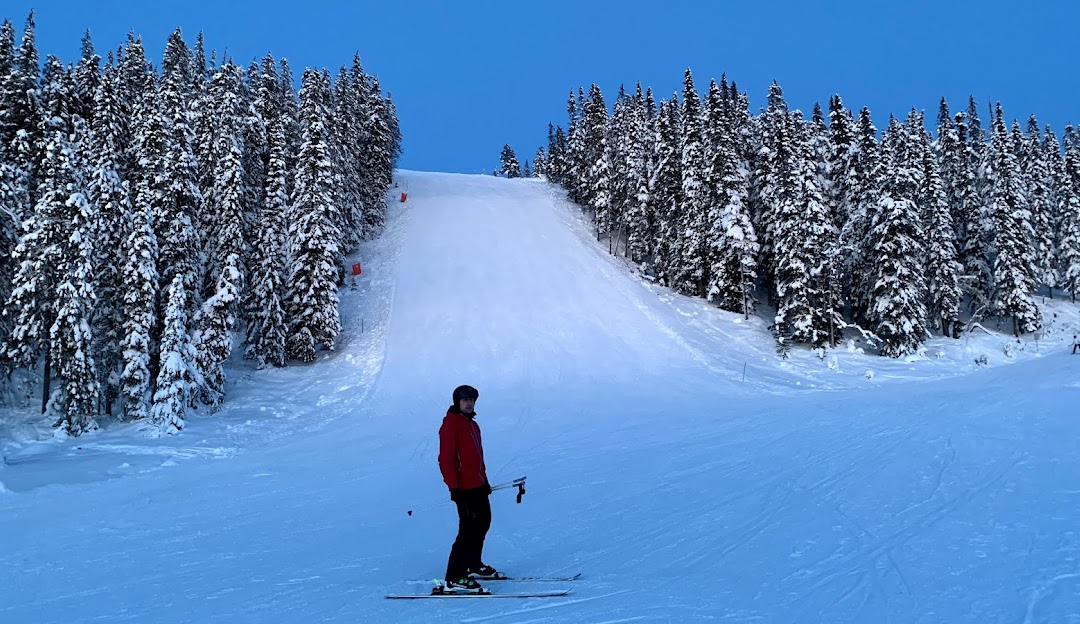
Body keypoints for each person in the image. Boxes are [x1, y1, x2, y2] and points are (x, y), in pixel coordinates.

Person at [438, 384, 498, 593]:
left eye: (472, 399)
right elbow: (446, 460)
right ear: (457, 401)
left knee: (483, 523)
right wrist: (454, 488)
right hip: (464, 489)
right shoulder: (451, 425)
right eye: (465, 399)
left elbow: (477, 458)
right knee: (467, 530)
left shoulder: (472, 425)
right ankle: (454, 576)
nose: (469, 402)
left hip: (478, 486)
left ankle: (473, 564)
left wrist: (485, 480)